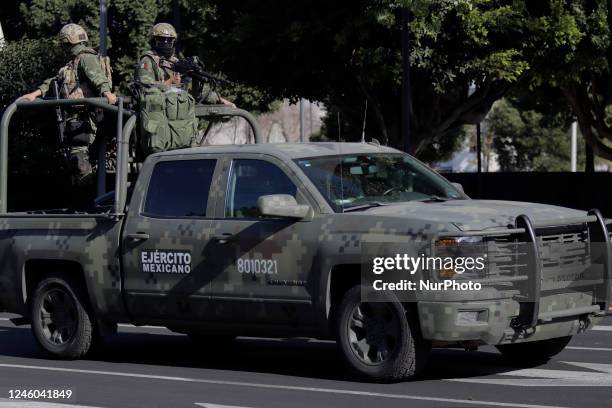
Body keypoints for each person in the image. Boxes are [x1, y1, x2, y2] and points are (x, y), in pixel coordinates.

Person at [19, 23, 117, 184]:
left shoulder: (86, 58)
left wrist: (107, 93)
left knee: (79, 157)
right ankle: (85, 193)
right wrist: (34, 94)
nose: (63, 48)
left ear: (68, 42)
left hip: (87, 117)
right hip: (78, 118)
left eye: (64, 44)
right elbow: (54, 82)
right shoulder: (72, 64)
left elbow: (98, 77)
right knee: (75, 157)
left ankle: (86, 195)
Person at [135, 22, 235, 107]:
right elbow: (144, 87)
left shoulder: (175, 62)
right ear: (154, 40)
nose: (166, 42)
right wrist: (170, 81)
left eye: (169, 39)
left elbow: (195, 91)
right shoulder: (148, 60)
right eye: (161, 39)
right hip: (156, 113)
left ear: (173, 41)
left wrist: (219, 100)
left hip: (177, 113)